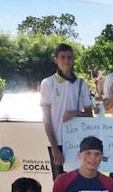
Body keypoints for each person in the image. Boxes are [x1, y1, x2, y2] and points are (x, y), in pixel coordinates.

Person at [40, 43, 93, 180]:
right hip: (56, 142)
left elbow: (89, 115)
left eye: (69, 57)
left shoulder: (81, 83)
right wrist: (55, 148)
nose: (66, 61)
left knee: (77, 182)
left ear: (73, 59)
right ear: (55, 59)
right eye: (62, 57)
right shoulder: (48, 83)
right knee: (59, 183)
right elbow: (46, 119)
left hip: (77, 142)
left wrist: (75, 113)